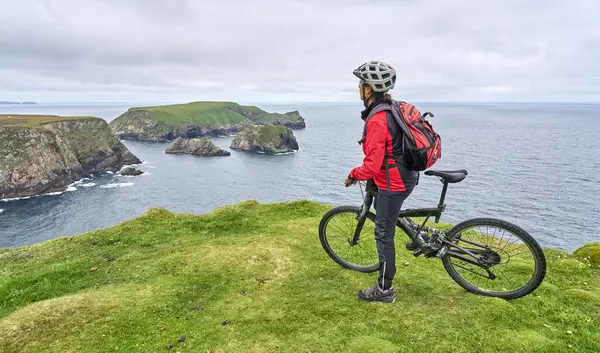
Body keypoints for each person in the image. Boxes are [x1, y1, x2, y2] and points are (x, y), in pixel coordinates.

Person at [344, 61, 420, 303]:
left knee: (383, 234)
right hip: (407, 174)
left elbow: (371, 167)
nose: (358, 88)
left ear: (368, 89)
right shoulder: (393, 107)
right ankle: (417, 236)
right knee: (389, 215)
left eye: (361, 84)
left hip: (393, 183)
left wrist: (353, 174)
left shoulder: (377, 119)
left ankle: (384, 290)